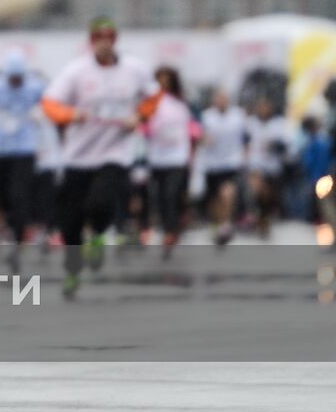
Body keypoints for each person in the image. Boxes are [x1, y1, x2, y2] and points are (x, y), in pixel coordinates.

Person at [41, 17, 159, 296]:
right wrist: (72, 114)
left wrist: (139, 116)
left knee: (101, 201)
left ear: (116, 39)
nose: (105, 42)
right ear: (92, 41)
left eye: (109, 36)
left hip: (116, 151)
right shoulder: (77, 71)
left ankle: (97, 235)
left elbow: (154, 97)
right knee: (70, 223)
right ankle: (73, 270)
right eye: (99, 37)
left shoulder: (134, 69)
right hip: (79, 156)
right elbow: (49, 103)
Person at [0, 51, 44, 247]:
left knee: (20, 193)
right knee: (2, 193)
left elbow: (48, 105)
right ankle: (9, 223)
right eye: (13, 77)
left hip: (24, 148)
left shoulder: (35, 87)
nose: (16, 81)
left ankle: (19, 235)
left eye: (19, 77)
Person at [144, 66, 198, 253]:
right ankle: (169, 226)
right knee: (159, 196)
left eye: (167, 80)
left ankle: (171, 230)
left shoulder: (181, 101)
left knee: (172, 193)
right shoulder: (150, 101)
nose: (163, 83)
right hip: (158, 156)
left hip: (178, 156)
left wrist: (195, 137)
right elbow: (142, 122)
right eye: (160, 80)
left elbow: (193, 124)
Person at [198, 88, 246, 245]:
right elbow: (198, 136)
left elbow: (246, 137)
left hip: (231, 162)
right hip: (212, 164)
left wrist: (245, 155)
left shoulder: (238, 116)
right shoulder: (207, 117)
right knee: (214, 199)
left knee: (227, 194)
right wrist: (204, 139)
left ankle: (226, 224)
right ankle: (216, 223)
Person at [245, 97, 290, 238]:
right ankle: (255, 214)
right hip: (256, 163)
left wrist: (274, 145)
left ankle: (265, 217)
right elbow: (245, 139)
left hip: (272, 165)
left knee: (268, 195)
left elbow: (285, 145)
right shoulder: (251, 123)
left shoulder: (278, 123)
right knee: (258, 189)